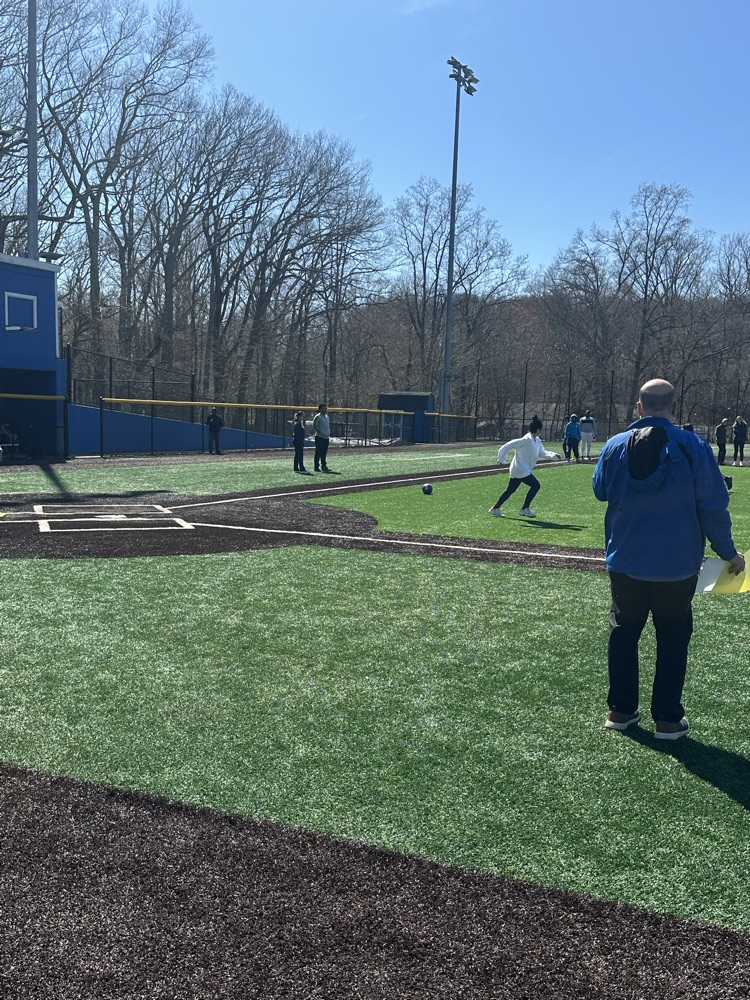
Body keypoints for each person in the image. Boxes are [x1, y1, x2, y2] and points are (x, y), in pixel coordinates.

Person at [593, 378, 744, 740]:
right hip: (677, 566)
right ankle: (667, 719)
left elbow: (600, 491)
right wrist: (728, 552)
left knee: (623, 634)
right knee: (673, 639)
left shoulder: (615, 446)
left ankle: (620, 710)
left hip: (626, 559)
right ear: (673, 407)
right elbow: (712, 506)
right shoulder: (693, 445)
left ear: (639, 408)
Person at [489, 415, 559, 518]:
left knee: (510, 490)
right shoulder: (526, 439)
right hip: (520, 469)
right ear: (538, 429)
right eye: (541, 429)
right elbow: (509, 445)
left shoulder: (537, 440)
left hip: (519, 470)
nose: (541, 431)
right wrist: (501, 458)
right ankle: (525, 508)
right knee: (536, 485)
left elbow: (542, 453)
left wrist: (553, 455)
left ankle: (495, 508)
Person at [312, 403, 330, 472]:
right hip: (319, 437)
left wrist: (328, 433)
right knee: (318, 452)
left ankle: (324, 466)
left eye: (326, 408)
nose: (326, 410)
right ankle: (316, 466)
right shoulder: (317, 416)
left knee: (324, 453)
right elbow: (314, 426)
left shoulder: (327, 417)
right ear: (320, 409)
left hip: (326, 437)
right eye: (324, 408)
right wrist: (320, 432)